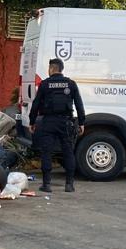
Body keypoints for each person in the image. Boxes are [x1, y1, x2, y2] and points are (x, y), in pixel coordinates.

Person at [29, 58, 86, 193]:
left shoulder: (44, 84)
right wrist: (82, 122)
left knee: (46, 152)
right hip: (66, 122)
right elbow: (79, 104)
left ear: (52, 69)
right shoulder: (71, 84)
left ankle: (47, 184)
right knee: (68, 152)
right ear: (61, 69)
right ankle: (69, 184)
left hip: (48, 122)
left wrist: (32, 122)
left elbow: (36, 104)